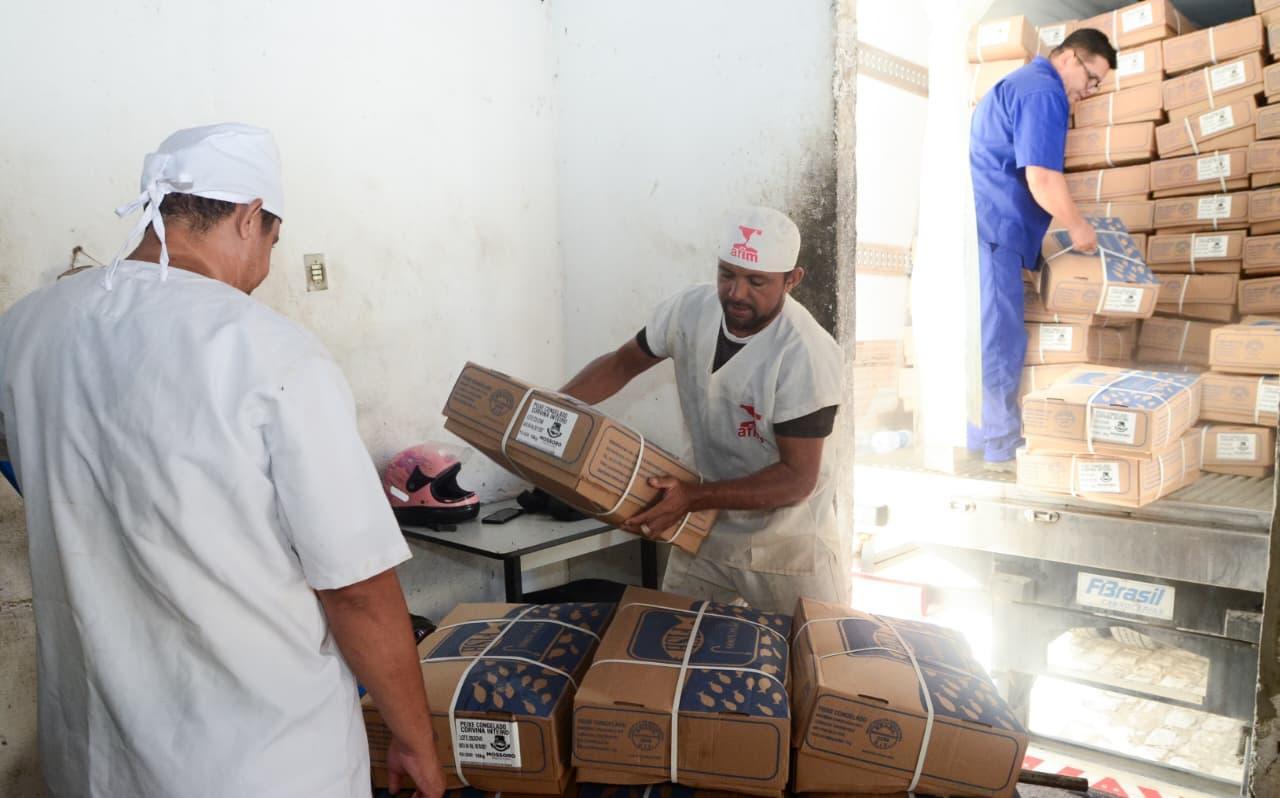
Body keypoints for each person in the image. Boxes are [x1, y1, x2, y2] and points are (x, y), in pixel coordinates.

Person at [0, 124, 445, 798]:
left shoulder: (26, 327)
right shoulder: (270, 352)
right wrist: (414, 739)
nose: (265, 266)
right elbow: (355, 587)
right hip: (258, 759)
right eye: (272, 240)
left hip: (93, 756)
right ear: (247, 218)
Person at [561, 207, 845, 614]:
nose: (736, 293)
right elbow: (621, 364)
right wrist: (552, 405)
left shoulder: (805, 354)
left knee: (811, 661)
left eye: (756, 281)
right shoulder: (691, 310)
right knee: (668, 644)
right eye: (727, 274)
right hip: (704, 532)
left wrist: (693, 497)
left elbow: (797, 479)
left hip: (787, 546)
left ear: (792, 280)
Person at [969, 28, 1117, 468]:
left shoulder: (1019, 84)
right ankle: (998, 441)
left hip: (989, 227)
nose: (1089, 92)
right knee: (999, 337)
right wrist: (1078, 228)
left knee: (985, 332)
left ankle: (978, 434)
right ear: (1070, 58)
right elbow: (1042, 177)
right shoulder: (1043, 93)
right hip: (997, 228)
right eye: (1092, 79)